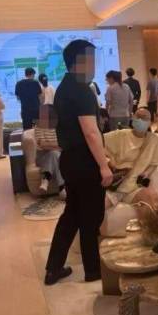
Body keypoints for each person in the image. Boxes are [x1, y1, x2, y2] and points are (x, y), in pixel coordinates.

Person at [45, 40, 112, 285]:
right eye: (91, 60)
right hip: (85, 162)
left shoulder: (63, 88)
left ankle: (53, 268)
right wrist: (103, 165)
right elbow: (90, 132)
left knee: (72, 215)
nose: (95, 65)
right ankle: (93, 271)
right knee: (90, 217)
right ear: (79, 62)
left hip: (70, 160)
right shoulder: (82, 90)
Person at [103, 108, 158, 214]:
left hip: (135, 186)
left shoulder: (154, 140)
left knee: (151, 200)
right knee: (95, 209)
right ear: (133, 118)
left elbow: (154, 163)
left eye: (144, 118)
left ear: (149, 122)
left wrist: (146, 173)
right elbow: (98, 143)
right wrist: (108, 161)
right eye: (138, 117)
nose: (140, 120)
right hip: (116, 185)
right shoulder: (120, 135)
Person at [34, 104, 64, 194]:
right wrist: (56, 145)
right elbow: (43, 145)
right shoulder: (38, 127)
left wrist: (50, 145)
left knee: (54, 154)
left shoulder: (59, 127)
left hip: (58, 154)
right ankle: (62, 188)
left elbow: (63, 144)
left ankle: (45, 179)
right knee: (54, 154)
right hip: (42, 156)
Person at [146, 68, 158, 133]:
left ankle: (149, 129)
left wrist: (147, 100)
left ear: (151, 73)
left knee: (150, 115)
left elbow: (149, 92)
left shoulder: (150, 82)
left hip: (151, 100)